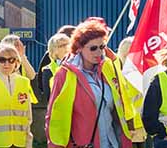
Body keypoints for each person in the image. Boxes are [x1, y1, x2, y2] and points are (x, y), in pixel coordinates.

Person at [45, 19, 132, 148]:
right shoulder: (64, 74)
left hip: (113, 142)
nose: (99, 52)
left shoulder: (109, 67)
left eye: (102, 47)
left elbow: (121, 106)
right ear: (79, 48)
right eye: (93, 48)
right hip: (83, 144)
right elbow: (55, 118)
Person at [35, 33, 71, 145]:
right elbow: (48, 98)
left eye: (68, 44)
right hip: (59, 117)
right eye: (62, 45)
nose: (66, 47)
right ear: (53, 50)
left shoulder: (78, 66)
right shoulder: (48, 70)